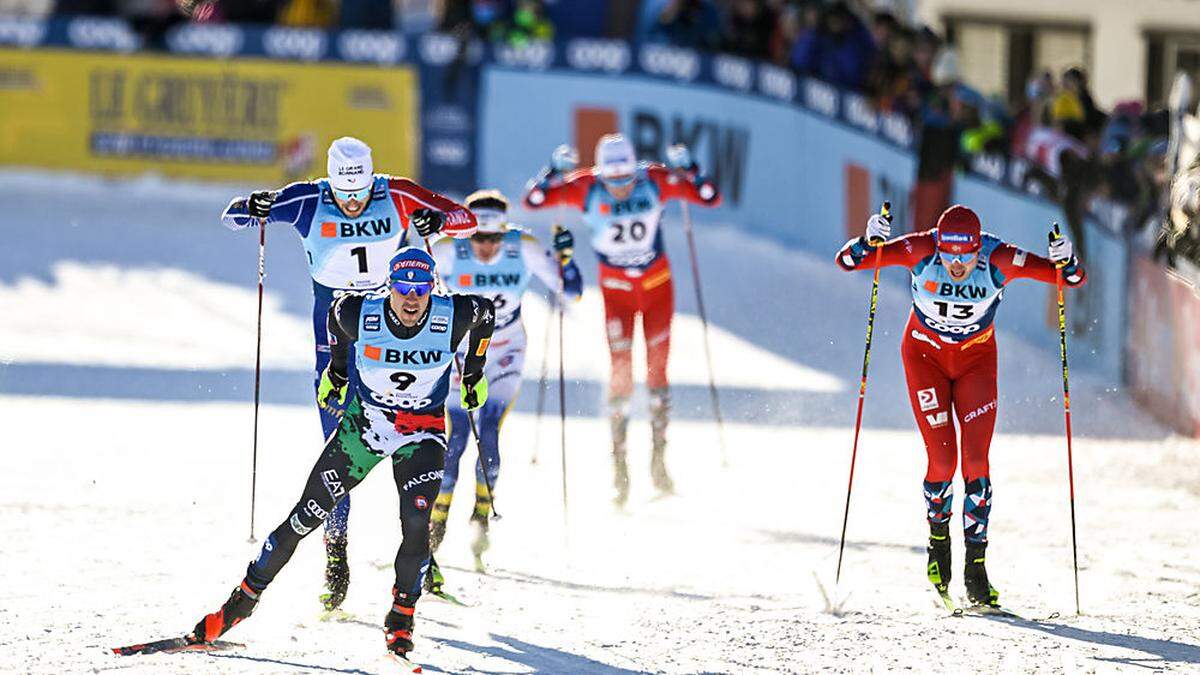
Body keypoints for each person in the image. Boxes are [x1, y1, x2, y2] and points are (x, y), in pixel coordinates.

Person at [187, 247, 495, 664]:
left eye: (420, 290)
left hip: (420, 433)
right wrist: (336, 369)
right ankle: (239, 604)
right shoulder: (360, 312)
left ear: (431, 289)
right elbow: (335, 314)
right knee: (304, 517)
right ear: (389, 287)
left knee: (417, 521)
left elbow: (486, 312)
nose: (411, 299)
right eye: (403, 288)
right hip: (364, 430)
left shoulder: (452, 313)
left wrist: (474, 371)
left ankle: (401, 620)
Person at [220, 137, 477, 611]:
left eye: (361, 195)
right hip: (334, 332)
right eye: (345, 195)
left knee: (410, 433)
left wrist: (437, 222)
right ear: (332, 183)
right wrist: (254, 207)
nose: (355, 204)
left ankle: (421, 555)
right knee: (340, 444)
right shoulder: (307, 199)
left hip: (395, 326)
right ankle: (335, 553)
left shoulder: (394, 192)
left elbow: (466, 219)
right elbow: (234, 215)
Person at [834, 204, 1086, 607]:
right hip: (924, 358)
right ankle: (938, 543)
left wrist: (1065, 260)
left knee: (975, 462)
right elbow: (848, 262)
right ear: (939, 245)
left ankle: (976, 566)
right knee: (942, 461)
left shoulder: (999, 259)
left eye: (965, 256)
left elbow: (1070, 279)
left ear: (977, 249)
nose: (956, 264)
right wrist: (869, 240)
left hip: (976, 362)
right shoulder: (921, 250)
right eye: (949, 255)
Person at [523, 134, 721, 507]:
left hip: (658, 287)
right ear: (601, 174)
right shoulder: (585, 186)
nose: (620, 189)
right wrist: (553, 172)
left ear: (635, 170)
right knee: (621, 372)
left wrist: (689, 168)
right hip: (615, 293)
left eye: (627, 180)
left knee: (658, 372)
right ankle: (620, 469)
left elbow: (710, 197)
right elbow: (533, 200)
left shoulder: (654, 181)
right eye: (612, 182)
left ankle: (659, 463)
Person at [429, 189, 583, 568]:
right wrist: (416, 236)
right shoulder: (449, 247)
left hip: (505, 348)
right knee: (456, 437)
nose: (485, 246)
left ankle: (481, 517)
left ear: (505, 233)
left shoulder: (523, 247)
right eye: (478, 237)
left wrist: (567, 259)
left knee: (491, 429)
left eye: (494, 238)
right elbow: (405, 279)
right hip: (461, 349)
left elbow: (573, 291)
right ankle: (434, 527)